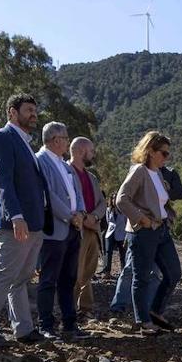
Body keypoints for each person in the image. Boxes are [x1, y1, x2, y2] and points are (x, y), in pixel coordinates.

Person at [0, 93, 50, 347]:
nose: (34, 114)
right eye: (28, 109)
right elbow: (2, 182)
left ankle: (23, 330)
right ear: (12, 112)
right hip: (15, 224)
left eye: (35, 110)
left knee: (21, 279)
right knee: (4, 275)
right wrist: (16, 216)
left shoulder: (25, 143)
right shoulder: (2, 137)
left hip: (34, 223)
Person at [116, 131, 181, 333]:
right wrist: (140, 219)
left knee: (174, 273)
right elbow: (121, 199)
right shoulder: (139, 171)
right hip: (143, 231)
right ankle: (143, 321)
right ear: (151, 151)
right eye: (163, 153)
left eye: (168, 153)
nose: (166, 157)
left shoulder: (159, 173)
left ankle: (154, 311)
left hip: (161, 230)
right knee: (141, 277)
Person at [34, 122, 86, 340]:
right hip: (54, 230)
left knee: (69, 278)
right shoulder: (40, 161)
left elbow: (77, 191)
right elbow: (47, 195)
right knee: (48, 280)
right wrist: (70, 215)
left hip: (73, 230)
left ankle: (70, 323)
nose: (67, 141)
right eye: (65, 138)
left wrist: (81, 212)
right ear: (55, 140)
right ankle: (46, 325)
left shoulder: (65, 164)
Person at [68, 136, 106, 320]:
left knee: (88, 271)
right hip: (76, 230)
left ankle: (85, 308)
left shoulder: (92, 177)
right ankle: (68, 311)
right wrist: (83, 218)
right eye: (91, 151)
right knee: (75, 271)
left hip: (93, 229)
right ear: (81, 151)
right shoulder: (66, 172)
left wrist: (95, 217)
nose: (93, 155)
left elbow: (102, 202)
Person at [101, 195, 125, 276]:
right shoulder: (108, 210)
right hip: (110, 233)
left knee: (122, 253)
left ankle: (123, 271)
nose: (114, 200)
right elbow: (108, 221)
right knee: (108, 253)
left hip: (121, 234)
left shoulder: (123, 210)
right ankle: (107, 272)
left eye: (116, 198)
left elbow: (125, 221)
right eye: (113, 198)